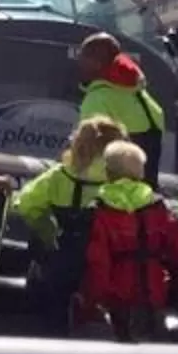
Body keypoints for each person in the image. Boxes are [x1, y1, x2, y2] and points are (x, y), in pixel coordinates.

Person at [15, 114, 130, 329]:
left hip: (63, 254)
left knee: (53, 309)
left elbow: (25, 204)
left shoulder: (58, 176)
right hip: (107, 260)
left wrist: (46, 230)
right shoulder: (119, 183)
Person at [79, 141, 178, 342]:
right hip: (154, 292)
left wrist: (91, 302)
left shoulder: (99, 210)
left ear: (108, 171)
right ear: (141, 171)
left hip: (115, 298)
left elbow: (98, 262)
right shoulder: (158, 206)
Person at [74, 32, 168, 170]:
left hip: (108, 186)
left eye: (84, 57)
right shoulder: (143, 98)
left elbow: (88, 157)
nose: (79, 63)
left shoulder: (98, 99)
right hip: (143, 187)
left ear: (97, 63)